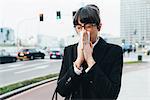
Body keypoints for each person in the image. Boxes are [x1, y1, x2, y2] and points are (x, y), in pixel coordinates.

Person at [56, 4, 123, 100]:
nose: (83, 32)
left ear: (99, 27)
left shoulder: (113, 52)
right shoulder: (70, 51)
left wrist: (90, 60)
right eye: (79, 27)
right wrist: (78, 61)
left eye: (88, 26)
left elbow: (111, 95)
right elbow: (62, 90)